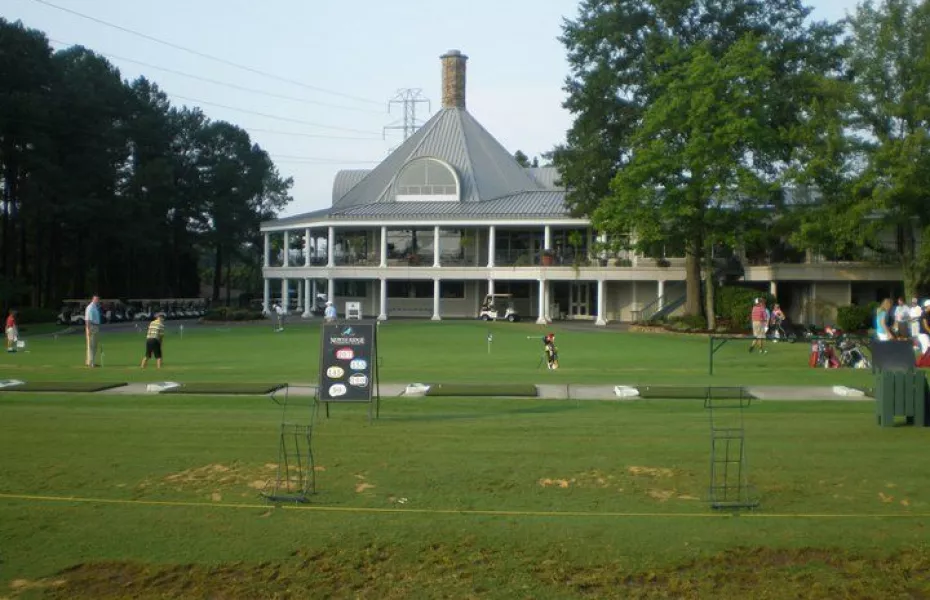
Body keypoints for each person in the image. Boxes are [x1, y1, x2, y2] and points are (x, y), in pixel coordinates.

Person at [85, 295, 101, 367]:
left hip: (95, 327)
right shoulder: (90, 307)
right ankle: (91, 363)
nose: (97, 301)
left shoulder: (95, 307)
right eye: (96, 299)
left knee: (94, 345)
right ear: (93, 300)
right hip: (92, 327)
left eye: (98, 300)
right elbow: (88, 320)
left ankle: (92, 362)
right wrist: (88, 329)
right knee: (92, 345)